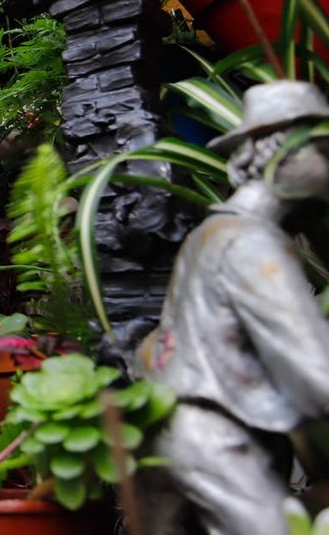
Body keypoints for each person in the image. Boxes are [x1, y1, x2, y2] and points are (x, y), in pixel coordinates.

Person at [134, 79, 329, 535]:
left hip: (178, 421)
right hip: (210, 433)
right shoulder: (250, 244)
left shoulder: (215, 230)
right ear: (278, 152)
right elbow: (312, 370)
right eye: (324, 152)